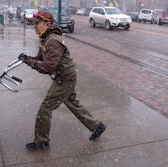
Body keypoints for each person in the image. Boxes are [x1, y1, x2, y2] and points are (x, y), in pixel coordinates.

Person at [18, 10, 106, 152]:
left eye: (37, 23)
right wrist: (28, 58)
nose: (34, 26)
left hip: (64, 80)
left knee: (45, 109)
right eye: (33, 24)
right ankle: (97, 126)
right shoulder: (46, 38)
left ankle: (42, 142)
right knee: (74, 104)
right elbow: (41, 59)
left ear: (47, 23)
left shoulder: (53, 41)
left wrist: (29, 62)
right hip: (65, 77)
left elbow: (47, 66)